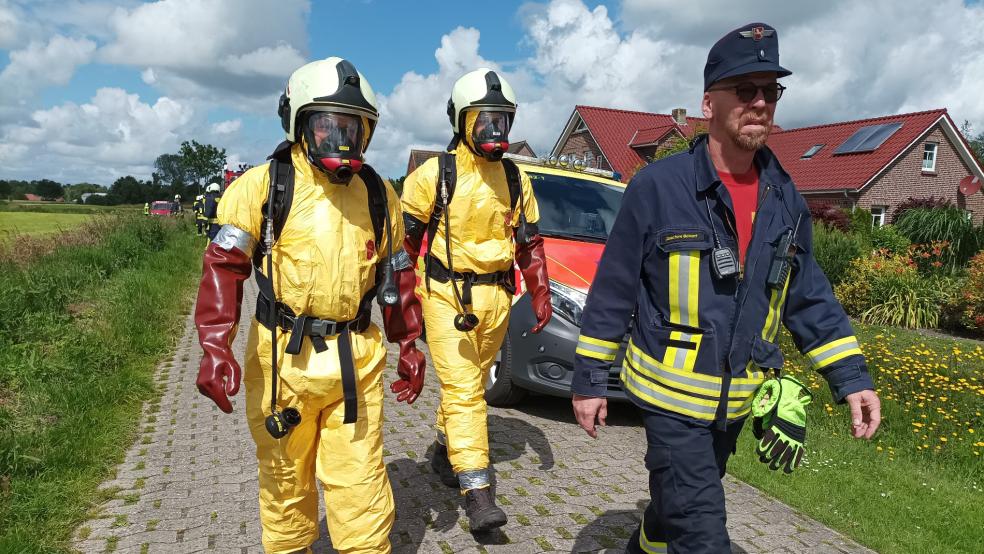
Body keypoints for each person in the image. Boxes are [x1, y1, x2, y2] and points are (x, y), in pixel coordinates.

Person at [570, 22, 882, 553]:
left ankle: (645, 541)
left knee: (673, 510)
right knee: (703, 533)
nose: (760, 102)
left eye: (770, 91)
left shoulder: (785, 196)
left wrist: (851, 379)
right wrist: (590, 379)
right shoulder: (656, 188)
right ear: (708, 103)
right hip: (670, 403)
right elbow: (614, 290)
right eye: (745, 90)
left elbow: (808, 295)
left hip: (735, 403)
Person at [193, 56, 425, 554]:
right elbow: (223, 267)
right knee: (285, 482)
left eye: (355, 129)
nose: (344, 141)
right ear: (299, 123)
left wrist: (408, 341)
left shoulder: (381, 195)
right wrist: (216, 345)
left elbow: (399, 273)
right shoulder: (261, 187)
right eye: (330, 126)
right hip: (282, 363)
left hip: (355, 363)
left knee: (360, 482)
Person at [401, 68, 552, 532]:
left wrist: (540, 291)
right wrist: (402, 316)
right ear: (461, 122)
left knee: (461, 386)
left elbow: (529, 240)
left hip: (498, 298)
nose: (495, 130)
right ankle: (478, 492)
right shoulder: (433, 175)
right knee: (467, 391)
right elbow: (404, 250)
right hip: (448, 297)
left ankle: (446, 453)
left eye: (502, 121)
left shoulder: (514, 176)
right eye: (484, 120)